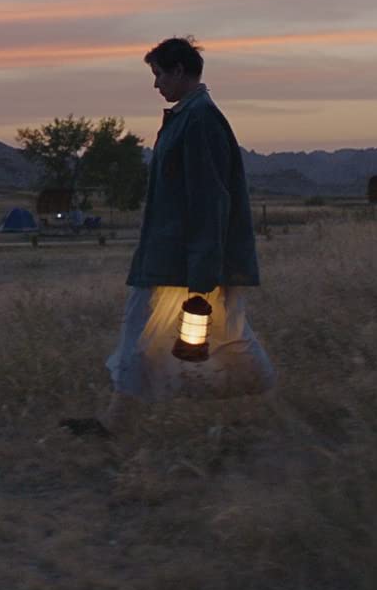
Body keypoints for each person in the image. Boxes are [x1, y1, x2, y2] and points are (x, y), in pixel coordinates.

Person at [69, 37, 274, 437]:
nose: (156, 84)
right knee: (148, 332)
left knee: (222, 336)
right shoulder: (188, 117)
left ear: (179, 71)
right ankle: (115, 421)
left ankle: (264, 404)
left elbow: (210, 199)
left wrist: (203, 273)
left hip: (182, 257)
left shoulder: (200, 121)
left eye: (159, 74)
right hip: (169, 254)